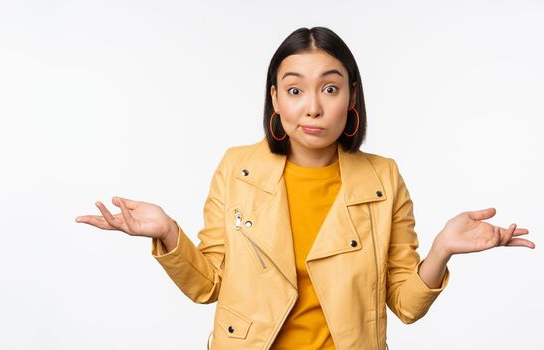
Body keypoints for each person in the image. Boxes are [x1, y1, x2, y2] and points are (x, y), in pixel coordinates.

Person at [74, 26, 534, 350]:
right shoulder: (237, 168)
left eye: (329, 89)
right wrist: (168, 233)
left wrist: (441, 250)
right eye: (294, 90)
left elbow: (406, 306)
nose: (312, 107)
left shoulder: (384, 177)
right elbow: (208, 286)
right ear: (274, 98)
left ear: (351, 96)